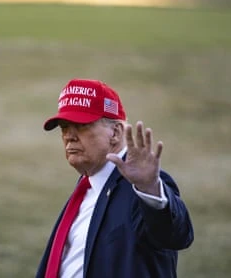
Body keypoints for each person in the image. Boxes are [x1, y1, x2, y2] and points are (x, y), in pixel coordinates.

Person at [36, 78, 194, 278]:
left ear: (116, 133)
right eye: (64, 127)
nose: (69, 136)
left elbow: (176, 235)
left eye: (81, 125)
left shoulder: (142, 186)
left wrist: (150, 189)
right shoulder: (88, 186)